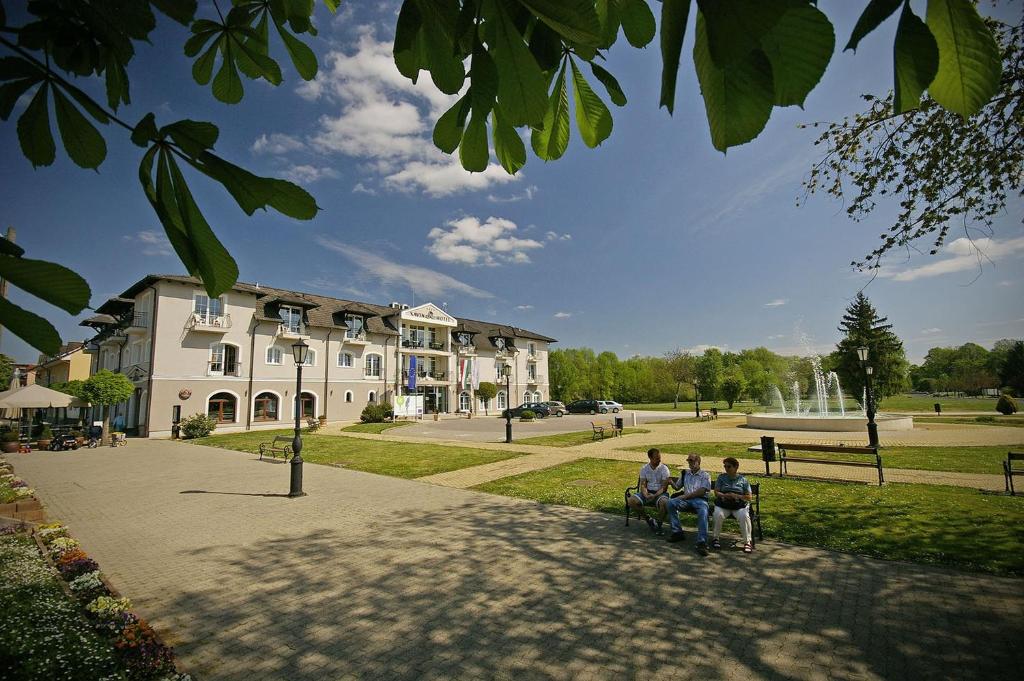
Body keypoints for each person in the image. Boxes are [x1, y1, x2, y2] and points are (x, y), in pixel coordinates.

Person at [665, 454, 711, 555]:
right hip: (686, 501)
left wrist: (685, 496)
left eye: (692, 461)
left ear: (699, 462)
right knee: (670, 503)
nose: (690, 463)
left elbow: (702, 491)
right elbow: (677, 487)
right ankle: (677, 532)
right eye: (689, 461)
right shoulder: (685, 473)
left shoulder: (705, 475)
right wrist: (671, 482)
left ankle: (702, 542)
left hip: (700, 500)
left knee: (703, 511)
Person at [712, 457, 754, 553]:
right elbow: (716, 492)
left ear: (736, 467)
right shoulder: (721, 478)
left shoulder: (743, 480)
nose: (726, 468)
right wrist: (724, 495)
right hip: (724, 504)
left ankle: (747, 542)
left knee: (744, 516)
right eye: (725, 466)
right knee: (718, 514)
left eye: (729, 466)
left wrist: (737, 496)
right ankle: (715, 538)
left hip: (738, 506)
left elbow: (749, 497)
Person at [628, 448, 671, 534]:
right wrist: (646, 494)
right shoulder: (644, 468)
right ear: (650, 458)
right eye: (657, 458)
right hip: (648, 492)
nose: (659, 460)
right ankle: (649, 519)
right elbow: (643, 484)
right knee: (631, 501)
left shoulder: (664, 469)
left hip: (660, 493)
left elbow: (664, 487)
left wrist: (654, 496)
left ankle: (659, 524)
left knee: (665, 502)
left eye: (659, 457)